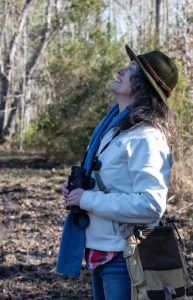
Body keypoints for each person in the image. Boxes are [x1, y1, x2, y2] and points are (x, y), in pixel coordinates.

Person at [62, 45, 178, 300]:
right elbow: (114, 183)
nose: (120, 70)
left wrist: (87, 199)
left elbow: (151, 205)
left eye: (130, 69)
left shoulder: (147, 137)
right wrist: (79, 192)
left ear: (143, 85)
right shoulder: (115, 130)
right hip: (101, 252)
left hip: (124, 259)